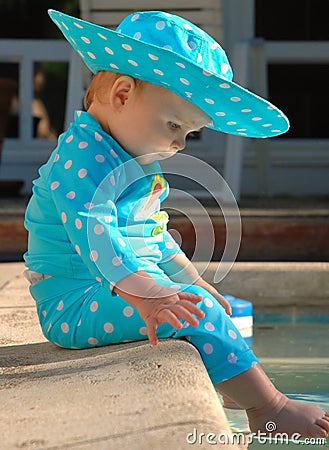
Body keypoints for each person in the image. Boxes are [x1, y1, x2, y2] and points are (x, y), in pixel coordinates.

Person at [24, 9, 329, 439]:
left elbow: (155, 238)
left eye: (187, 134)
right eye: (173, 125)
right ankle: (269, 407)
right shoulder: (80, 159)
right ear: (123, 95)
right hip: (75, 303)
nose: (177, 144)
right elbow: (98, 238)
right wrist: (151, 296)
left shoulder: (132, 160)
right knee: (192, 311)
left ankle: (232, 381)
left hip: (110, 287)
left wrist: (196, 283)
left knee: (202, 303)